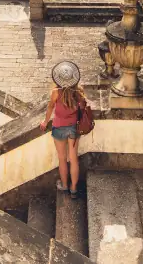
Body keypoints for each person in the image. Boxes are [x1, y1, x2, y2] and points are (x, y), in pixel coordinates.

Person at [40, 61, 87, 199]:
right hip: (73, 128)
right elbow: (83, 108)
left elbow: (50, 107)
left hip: (59, 127)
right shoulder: (78, 92)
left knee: (62, 159)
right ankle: (74, 189)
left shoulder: (56, 92)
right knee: (73, 159)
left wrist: (45, 121)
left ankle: (65, 185)